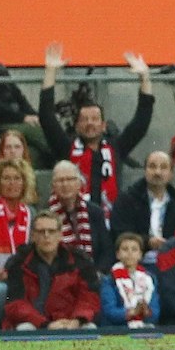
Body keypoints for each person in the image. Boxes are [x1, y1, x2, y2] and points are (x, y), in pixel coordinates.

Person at [38, 45, 156, 219]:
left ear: (103, 125)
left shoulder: (116, 147)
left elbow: (141, 122)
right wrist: (50, 72)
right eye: (84, 119)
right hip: (75, 222)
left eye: (94, 119)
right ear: (76, 126)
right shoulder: (66, 148)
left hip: (111, 221)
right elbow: (47, 117)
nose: (90, 123)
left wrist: (145, 77)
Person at [3, 210, 100, 330]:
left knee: (89, 327)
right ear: (33, 235)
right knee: (25, 328)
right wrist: (45, 324)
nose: (46, 236)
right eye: (41, 231)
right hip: (34, 323)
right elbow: (15, 304)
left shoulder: (80, 260)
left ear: (60, 235)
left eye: (51, 231)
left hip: (70, 321)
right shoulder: (18, 262)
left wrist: (77, 320)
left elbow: (89, 297)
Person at [0, 157, 37, 330]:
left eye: (17, 178)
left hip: (19, 275)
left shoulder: (31, 213)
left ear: (24, 182)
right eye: (6, 178)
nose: (12, 183)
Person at [111, 149, 175, 262]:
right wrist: (148, 242)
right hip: (134, 261)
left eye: (163, 167)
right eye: (152, 166)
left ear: (171, 173)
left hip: (170, 261)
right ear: (145, 171)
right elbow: (120, 233)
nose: (157, 172)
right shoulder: (127, 200)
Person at [98, 231, 160, 327]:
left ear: (140, 255)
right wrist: (132, 312)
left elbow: (155, 312)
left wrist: (146, 311)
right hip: (117, 329)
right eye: (125, 249)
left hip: (144, 327)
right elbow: (109, 311)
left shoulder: (150, 279)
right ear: (117, 254)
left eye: (134, 249)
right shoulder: (109, 280)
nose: (130, 253)